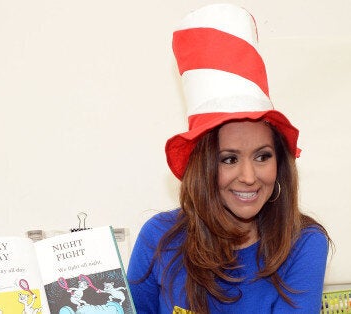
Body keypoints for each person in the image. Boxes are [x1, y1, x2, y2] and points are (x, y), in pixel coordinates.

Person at [127, 4, 331, 313]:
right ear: (203, 165)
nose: (249, 176)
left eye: (262, 156)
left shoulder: (303, 242)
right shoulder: (159, 237)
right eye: (229, 159)